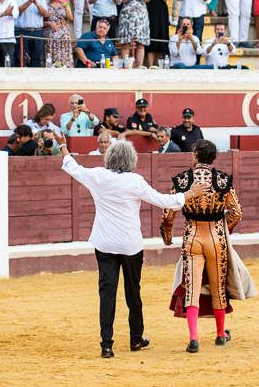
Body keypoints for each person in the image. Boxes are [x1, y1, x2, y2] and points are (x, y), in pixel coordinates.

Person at [60, 137, 208, 359]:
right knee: (133, 292)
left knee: (106, 295)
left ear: (109, 158)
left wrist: (63, 146)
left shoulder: (98, 176)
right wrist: (189, 194)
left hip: (105, 244)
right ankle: (136, 338)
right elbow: (163, 201)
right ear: (131, 160)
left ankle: (107, 345)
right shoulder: (135, 181)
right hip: (130, 245)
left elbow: (73, 167)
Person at [160, 138, 244, 353]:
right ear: (213, 157)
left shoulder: (182, 180)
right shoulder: (223, 180)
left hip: (192, 236)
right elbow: (236, 213)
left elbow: (168, 213)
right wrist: (225, 230)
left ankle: (194, 339)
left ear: (195, 154)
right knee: (218, 288)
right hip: (216, 237)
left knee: (192, 289)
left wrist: (167, 238)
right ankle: (219, 334)